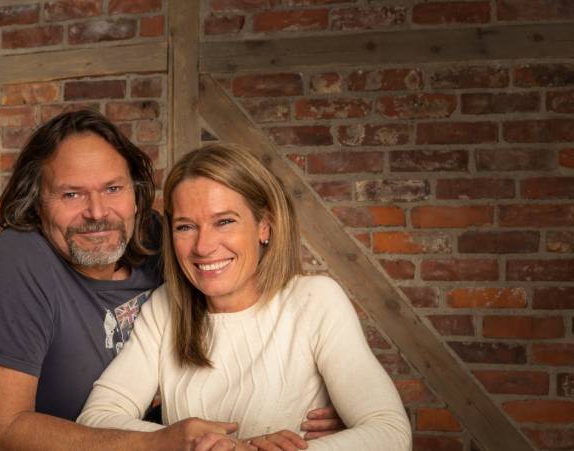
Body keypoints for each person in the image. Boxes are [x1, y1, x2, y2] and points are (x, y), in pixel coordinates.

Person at [0, 110, 342, 450]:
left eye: (113, 189)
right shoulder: (15, 266)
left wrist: (312, 400)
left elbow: (256, 317)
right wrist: (157, 443)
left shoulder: (162, 240)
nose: (97, 213)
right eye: (71, 194)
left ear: (137, 193)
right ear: (36, 201)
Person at [77, 144, 412, 451]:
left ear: (263, 226)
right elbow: (96, 418)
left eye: (224, 221)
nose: (203, 246)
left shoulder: (314, 300)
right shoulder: (165, 308)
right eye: (185, 227)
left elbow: (390, 433)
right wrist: (182, 438)